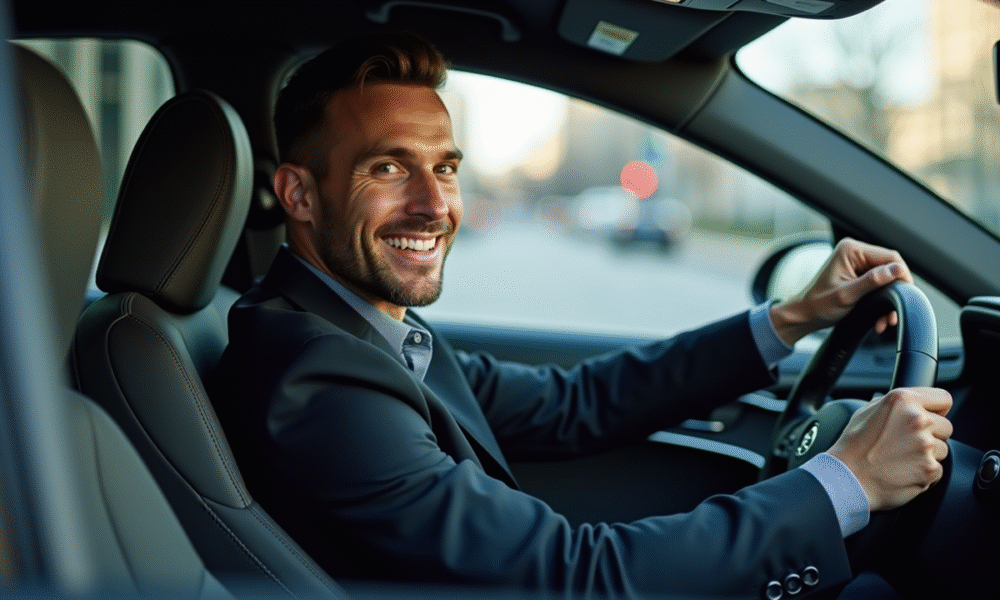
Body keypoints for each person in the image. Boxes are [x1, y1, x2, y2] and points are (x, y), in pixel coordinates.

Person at [210, 33, 953, 599]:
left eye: (444, 167)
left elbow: (576, 403)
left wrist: (792, 316)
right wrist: (846, 479)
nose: (434, 206)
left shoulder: (359, 330)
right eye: (388, 167)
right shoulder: (316, 377)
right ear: (301, 196)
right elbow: (577, 575)